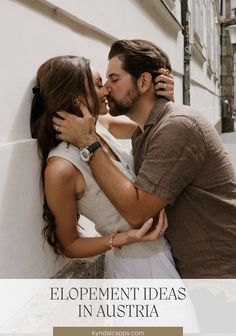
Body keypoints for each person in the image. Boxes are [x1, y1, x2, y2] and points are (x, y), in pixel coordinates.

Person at [53, 40, 236, 278]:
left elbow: (138, 214)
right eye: (103, 81)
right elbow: (115, 125)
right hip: (187, 269)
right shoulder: (149, 127)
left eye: (113, 79)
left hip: (216, 274)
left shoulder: (177, 126)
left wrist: (89, 144)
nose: (107, 88)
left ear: (143, 82)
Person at [31, 55, 180, 278]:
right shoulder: (61, 167)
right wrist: (124, 238)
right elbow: (69, 244)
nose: (107, 90)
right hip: (136, 269)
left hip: (164, 252)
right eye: (99, 84)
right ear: (76, 99)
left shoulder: (100, 126)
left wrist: (163, 99)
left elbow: (157, 129)